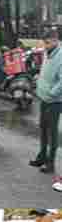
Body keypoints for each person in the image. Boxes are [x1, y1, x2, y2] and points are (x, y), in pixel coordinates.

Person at [32, 29, 62, 173]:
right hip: (44, 98)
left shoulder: (61, 55)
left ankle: (50, 163)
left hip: (55, 101)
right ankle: (42, 157)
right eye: (44, 42)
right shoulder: (47, 52)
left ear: (56, 40)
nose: (45, 45)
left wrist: (52, 93)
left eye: (48, 42)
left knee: (52, 132)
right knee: (43, 129)